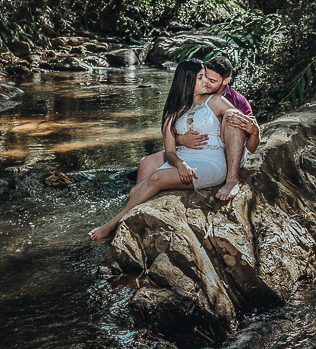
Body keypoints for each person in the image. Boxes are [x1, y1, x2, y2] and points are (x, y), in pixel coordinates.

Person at [89, 59, 237, 241]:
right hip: (183, 159)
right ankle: (127, 228)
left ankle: (112, 225)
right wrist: (180, 164)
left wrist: (253, 132)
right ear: (187, 81)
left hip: (211, 163)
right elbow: (170, 152)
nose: (206, 81)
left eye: (205, 77)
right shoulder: (172, 112)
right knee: (133, 192)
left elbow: (240, 124)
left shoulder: (215, 101)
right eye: (200, 78)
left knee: (157, 177)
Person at [133, 54, 260, 201]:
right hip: (193, 153)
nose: (206, 82)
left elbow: (250, 146)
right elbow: (171, 140)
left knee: (232, 116)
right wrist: (180, 139)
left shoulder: (236, 101)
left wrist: (255, 131)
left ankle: (232, 180)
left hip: (225, 153)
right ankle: (137, 202)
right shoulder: (186, 101)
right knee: (146, 163)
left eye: (212, 81)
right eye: (203, 76)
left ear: (225, 81)